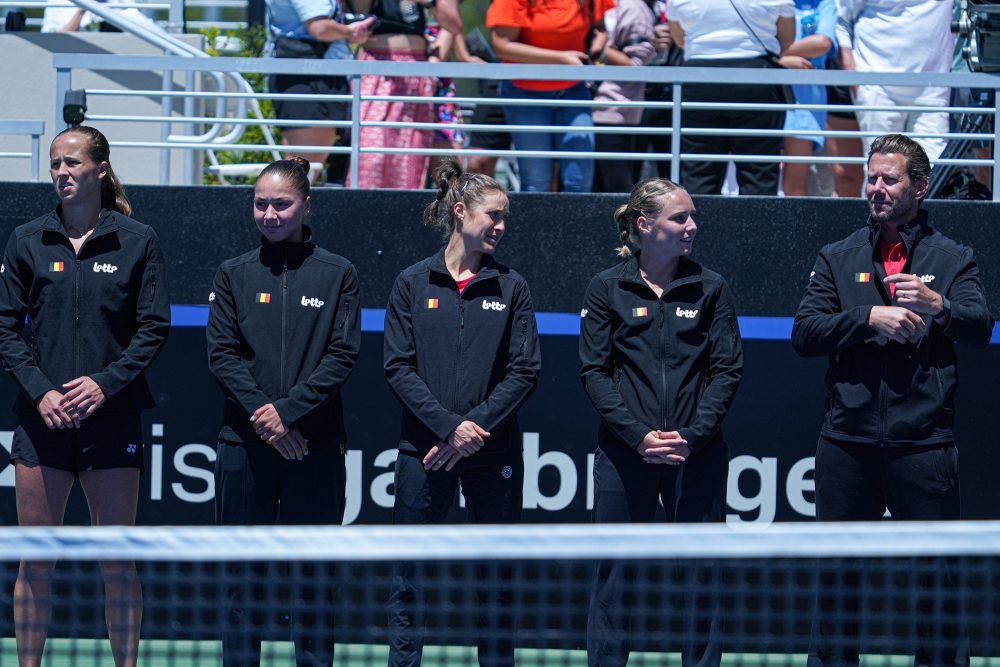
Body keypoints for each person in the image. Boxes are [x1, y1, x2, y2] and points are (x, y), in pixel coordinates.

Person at [792, 134, 993, 666]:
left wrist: (939, 304)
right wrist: (866, 318)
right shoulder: (837, 256)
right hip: (847, 446)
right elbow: (805, 334)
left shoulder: (954, 257)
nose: (877, 188)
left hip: (923, 447)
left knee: (939, 590)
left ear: (920, 187)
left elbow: (980, 327)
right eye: (872, 176)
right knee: (836, 591)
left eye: (891, 179)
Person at [0, 125, 171, 667]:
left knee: (116, 561)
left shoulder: (137, 239)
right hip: (40, 422)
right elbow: (5, 327)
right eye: (55, 164)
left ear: (100, 168)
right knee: (36, 561)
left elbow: (152, 328)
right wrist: (41, 392)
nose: (62, 173)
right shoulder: (27, 239)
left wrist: (104, 384)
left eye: (72, 163)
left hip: (111, 419)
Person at [383, 158, 541, 667]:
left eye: (504, 218)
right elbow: (398, 367)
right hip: (423, 451)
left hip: (492, 453)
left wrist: (474, 431)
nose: (500, 226)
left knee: (495, 581)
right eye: (493, 215)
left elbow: (524, 371)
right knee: (409, 579)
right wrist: (450, 428)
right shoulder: (411, 282)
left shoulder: (512, 286)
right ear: (459, 212)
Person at [580, 178, 743, 667]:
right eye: (680, 218)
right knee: (613, 578)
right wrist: (639, 437)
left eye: (692, 217)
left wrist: (691, 437)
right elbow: (595, 371)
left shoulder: (712, 287)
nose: (691, 226)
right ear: (645, 226)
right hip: (625, 456)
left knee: (701, 577)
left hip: (696, 455)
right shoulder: (606, 286)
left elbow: (727, 370)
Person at [206, 156, 361, 666]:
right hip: (244, 448)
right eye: (260, 204)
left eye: (281, 203)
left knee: (312, 581)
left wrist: (287, 414)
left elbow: (342, 355)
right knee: (239, 579)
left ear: (306, 204)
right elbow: (221, 354)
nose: (270, 214)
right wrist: (267, 421)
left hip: (313, 448)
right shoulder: (233, 274)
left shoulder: (339, 274)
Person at [667, 0, 795, 195]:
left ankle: (698, 224)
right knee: (759, 172)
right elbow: (786, 40)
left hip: (699, 78)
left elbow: (679, 39)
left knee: (699, 171)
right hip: (756, 76)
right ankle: (759, 224)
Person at [487, 0, 613, 192]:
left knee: (580, 178)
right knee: (536, 180)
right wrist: (560, 58)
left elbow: (600, 28)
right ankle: (534, 223)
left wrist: (597, 47)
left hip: (573, 89)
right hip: (525, 91)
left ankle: (577, 222)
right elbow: (501, 46)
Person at [349, 0, 462, 189]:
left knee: (410, 154)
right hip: (378, 68)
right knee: (371, 152)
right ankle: (365, 207)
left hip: (416, 71)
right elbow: (360, 11)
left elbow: (454, 25)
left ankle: (402, 211)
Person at [265, 0, 374, 178]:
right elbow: (320, 28)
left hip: (306, 73)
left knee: (304, 169)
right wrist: (350, 31)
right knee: (303, 170)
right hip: (309, 76)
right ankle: (280, 204)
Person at [836, 0, 954, 160]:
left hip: (933, 93)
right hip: (877, 88)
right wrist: (855, 79)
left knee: (933, 173)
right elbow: (841, 20)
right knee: (881, 171)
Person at [591, 0, 656, 193]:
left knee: (616, 189)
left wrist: (597, 46)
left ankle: (624, 224)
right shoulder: (590, 5)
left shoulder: (633, 8)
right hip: (582, 109)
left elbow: (636, 65)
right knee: (588, 188)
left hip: (614, 112)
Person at [780, 0, 836, 197]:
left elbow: (821, 43)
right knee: (756, 177)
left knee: (795, 185)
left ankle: (791, 228)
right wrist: (781, 61)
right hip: (764, 96)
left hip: (805, 103)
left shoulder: (824, 3)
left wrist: (773, 56)